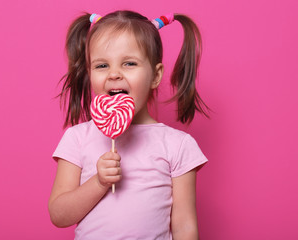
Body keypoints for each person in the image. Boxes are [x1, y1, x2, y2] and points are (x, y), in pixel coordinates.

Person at [49, 10, 209, 239]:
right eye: (102, 66)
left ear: (155, 76)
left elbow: (185, 225)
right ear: (90, 73)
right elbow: (59, 215)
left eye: (129, 63)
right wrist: (99, 182)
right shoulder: (77, 138)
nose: (114, 74)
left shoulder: (178, 145)